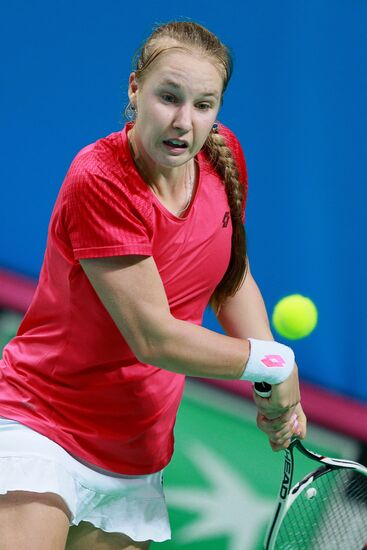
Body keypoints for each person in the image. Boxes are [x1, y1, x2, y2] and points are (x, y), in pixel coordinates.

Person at [0, 20, 306, 550]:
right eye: (169, 96)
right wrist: (273, 364)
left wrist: (273, 386)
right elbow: (154, 337)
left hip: (137, 452)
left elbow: (232, 280)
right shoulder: (100, 178)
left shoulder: (222, 156)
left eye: (204, 105)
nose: (184, 122)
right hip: (45, 424)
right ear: (135, 89)